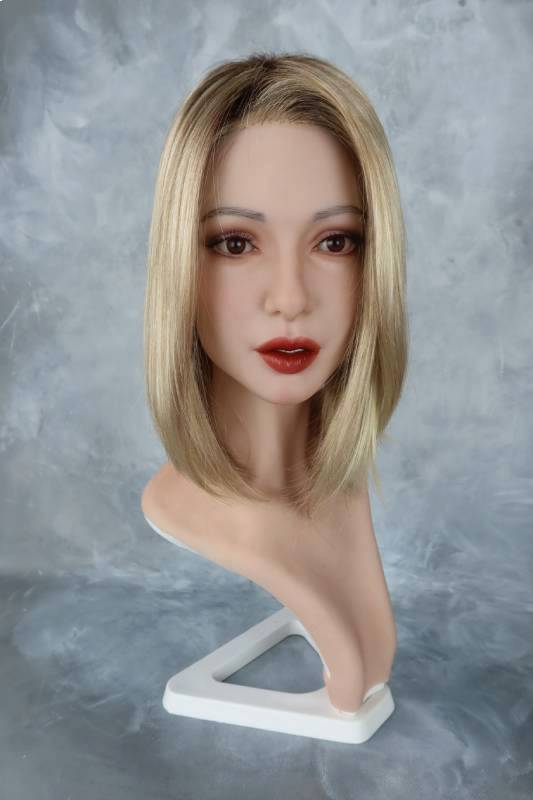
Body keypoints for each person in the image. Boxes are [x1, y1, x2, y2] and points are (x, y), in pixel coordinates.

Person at [141, 51, 409, 715]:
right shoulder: (185, 507)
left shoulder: (338, 483)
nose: (290, 299)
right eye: (236, 243)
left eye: (334, 242)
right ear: (182, 262)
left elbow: (369, 665)